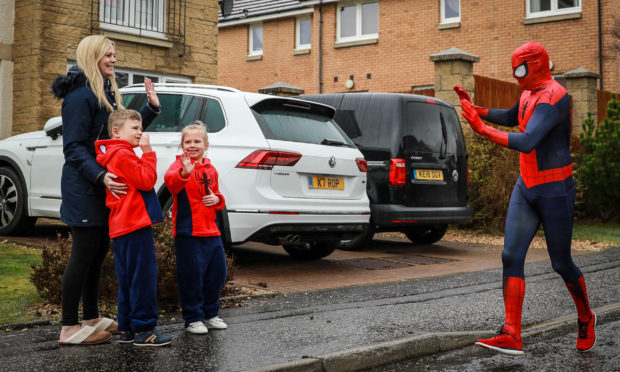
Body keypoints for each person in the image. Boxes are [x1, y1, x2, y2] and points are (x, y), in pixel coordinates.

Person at [453, 41, 596, 356]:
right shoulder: (529, 92)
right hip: (527, 187)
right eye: (513, 67)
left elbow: (529, 141)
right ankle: (511, 333)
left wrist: (480, 129)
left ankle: (586, 316)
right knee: (510, 255)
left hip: (555, 191)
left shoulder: (554, 97)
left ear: (537, 64)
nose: (515, 74)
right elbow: (509, 116)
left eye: (520, 67)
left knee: (561, 263)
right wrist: (475, 109)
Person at [51, 35, 160, 345]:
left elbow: (117, 136)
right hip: (84, 188)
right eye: (107, 55)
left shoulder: (105, 92)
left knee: (97, 255)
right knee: (83, 255)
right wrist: (100, 176)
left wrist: (150, 110)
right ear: (92, 57)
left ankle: (91, 317)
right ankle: (69, 327)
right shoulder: (80, 97)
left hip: (101, 188)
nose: (114, 60)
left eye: (114, 55)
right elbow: (72, 148)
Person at [95, 109, 173, 346]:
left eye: (141, 128)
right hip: (134, 223)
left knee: (129, 278)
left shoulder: (117, 153)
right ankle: (144, 329)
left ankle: (128, 327)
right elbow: (146, 181)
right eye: (135, 128)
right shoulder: (123, 155)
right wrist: (148, 153)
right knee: (143, 277)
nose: (140, 132)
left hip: (123, 226)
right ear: (116, 131)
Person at [164, 122, 228, 334]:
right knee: (191, 277)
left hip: (212, 232)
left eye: (197, 141)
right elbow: (171, 183)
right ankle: (193, 318)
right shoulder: (177, 166)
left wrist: (217, 198)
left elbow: (219, 197)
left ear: (206, 144)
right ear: (182, 146)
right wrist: (184, 172)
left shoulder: (212, 170)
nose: (192, 145)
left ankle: (211, 314)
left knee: (217, 274)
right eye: (188, 141)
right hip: (188, 233)